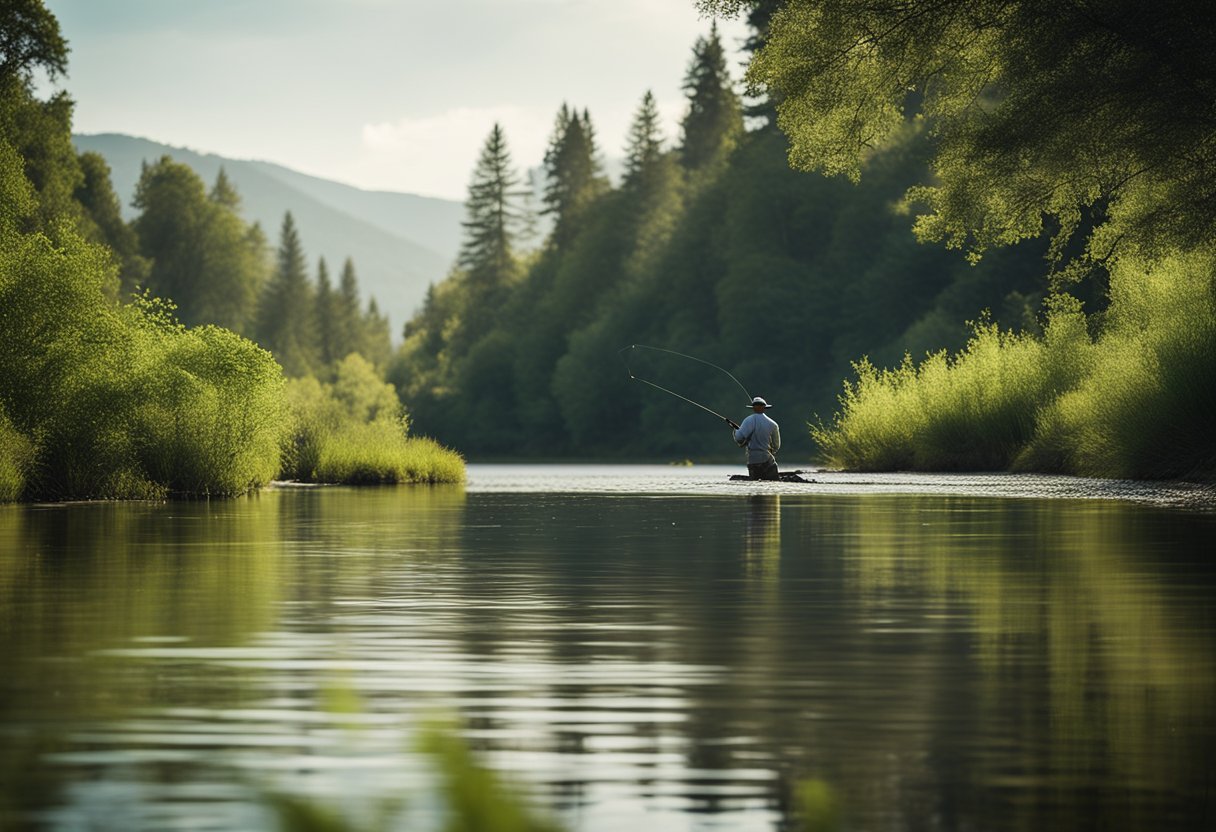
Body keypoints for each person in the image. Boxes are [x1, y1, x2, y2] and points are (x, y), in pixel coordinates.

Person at [726, 397, 780, 480]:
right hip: (767, 459)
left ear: (753, 408)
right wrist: (772, 451)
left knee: (754, 483)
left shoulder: (747, 421)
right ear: (764, 408)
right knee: (772, 482)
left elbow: (739, 439)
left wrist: (736, 430)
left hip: (753, 460)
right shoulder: (773, 424)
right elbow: (777, 445)